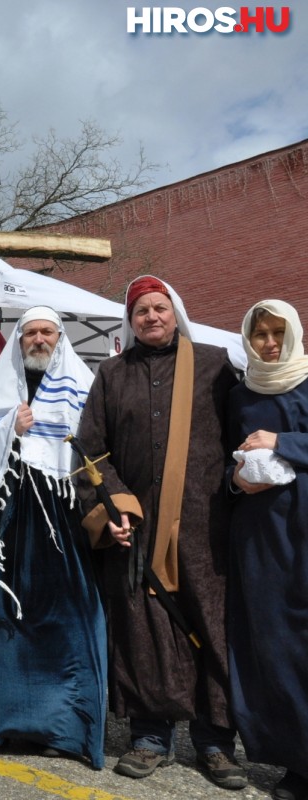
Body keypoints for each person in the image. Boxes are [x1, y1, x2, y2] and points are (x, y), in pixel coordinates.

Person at [75, 275, 245, 789]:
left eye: (159, 309)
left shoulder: (215, 366)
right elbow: (91, 451)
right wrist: (115, 509)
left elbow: (243, 438)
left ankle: (215, 742)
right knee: (144, 630)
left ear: (175, 313)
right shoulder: (111, 374)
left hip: (204, 528)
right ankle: (150, 736)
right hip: (136, 531)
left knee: (211, 628)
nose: (151, 317)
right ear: (131, 320)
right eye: (141, 311)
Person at [0, 307, 106, 768]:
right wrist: (11, 427)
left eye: (47, 332)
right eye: (30, 333)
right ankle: (1, 726)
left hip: (63, 511)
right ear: (19, 340)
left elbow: (97, 446)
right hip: (12, 508)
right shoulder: (2, 384)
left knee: (67, 618)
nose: (39, 340)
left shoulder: (82, 383)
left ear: (60, 339)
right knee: (6, 616)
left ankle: (65, 730)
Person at [226, 299, 308, 800]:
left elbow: (274, 444)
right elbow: (227, 457)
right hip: (260, 534)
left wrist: (283, 442)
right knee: (272, 646)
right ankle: (294, 759)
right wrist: (236, 481)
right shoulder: (240, 396)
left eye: (279, 333)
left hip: (304, 527)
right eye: (260, 335)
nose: (271, 343)